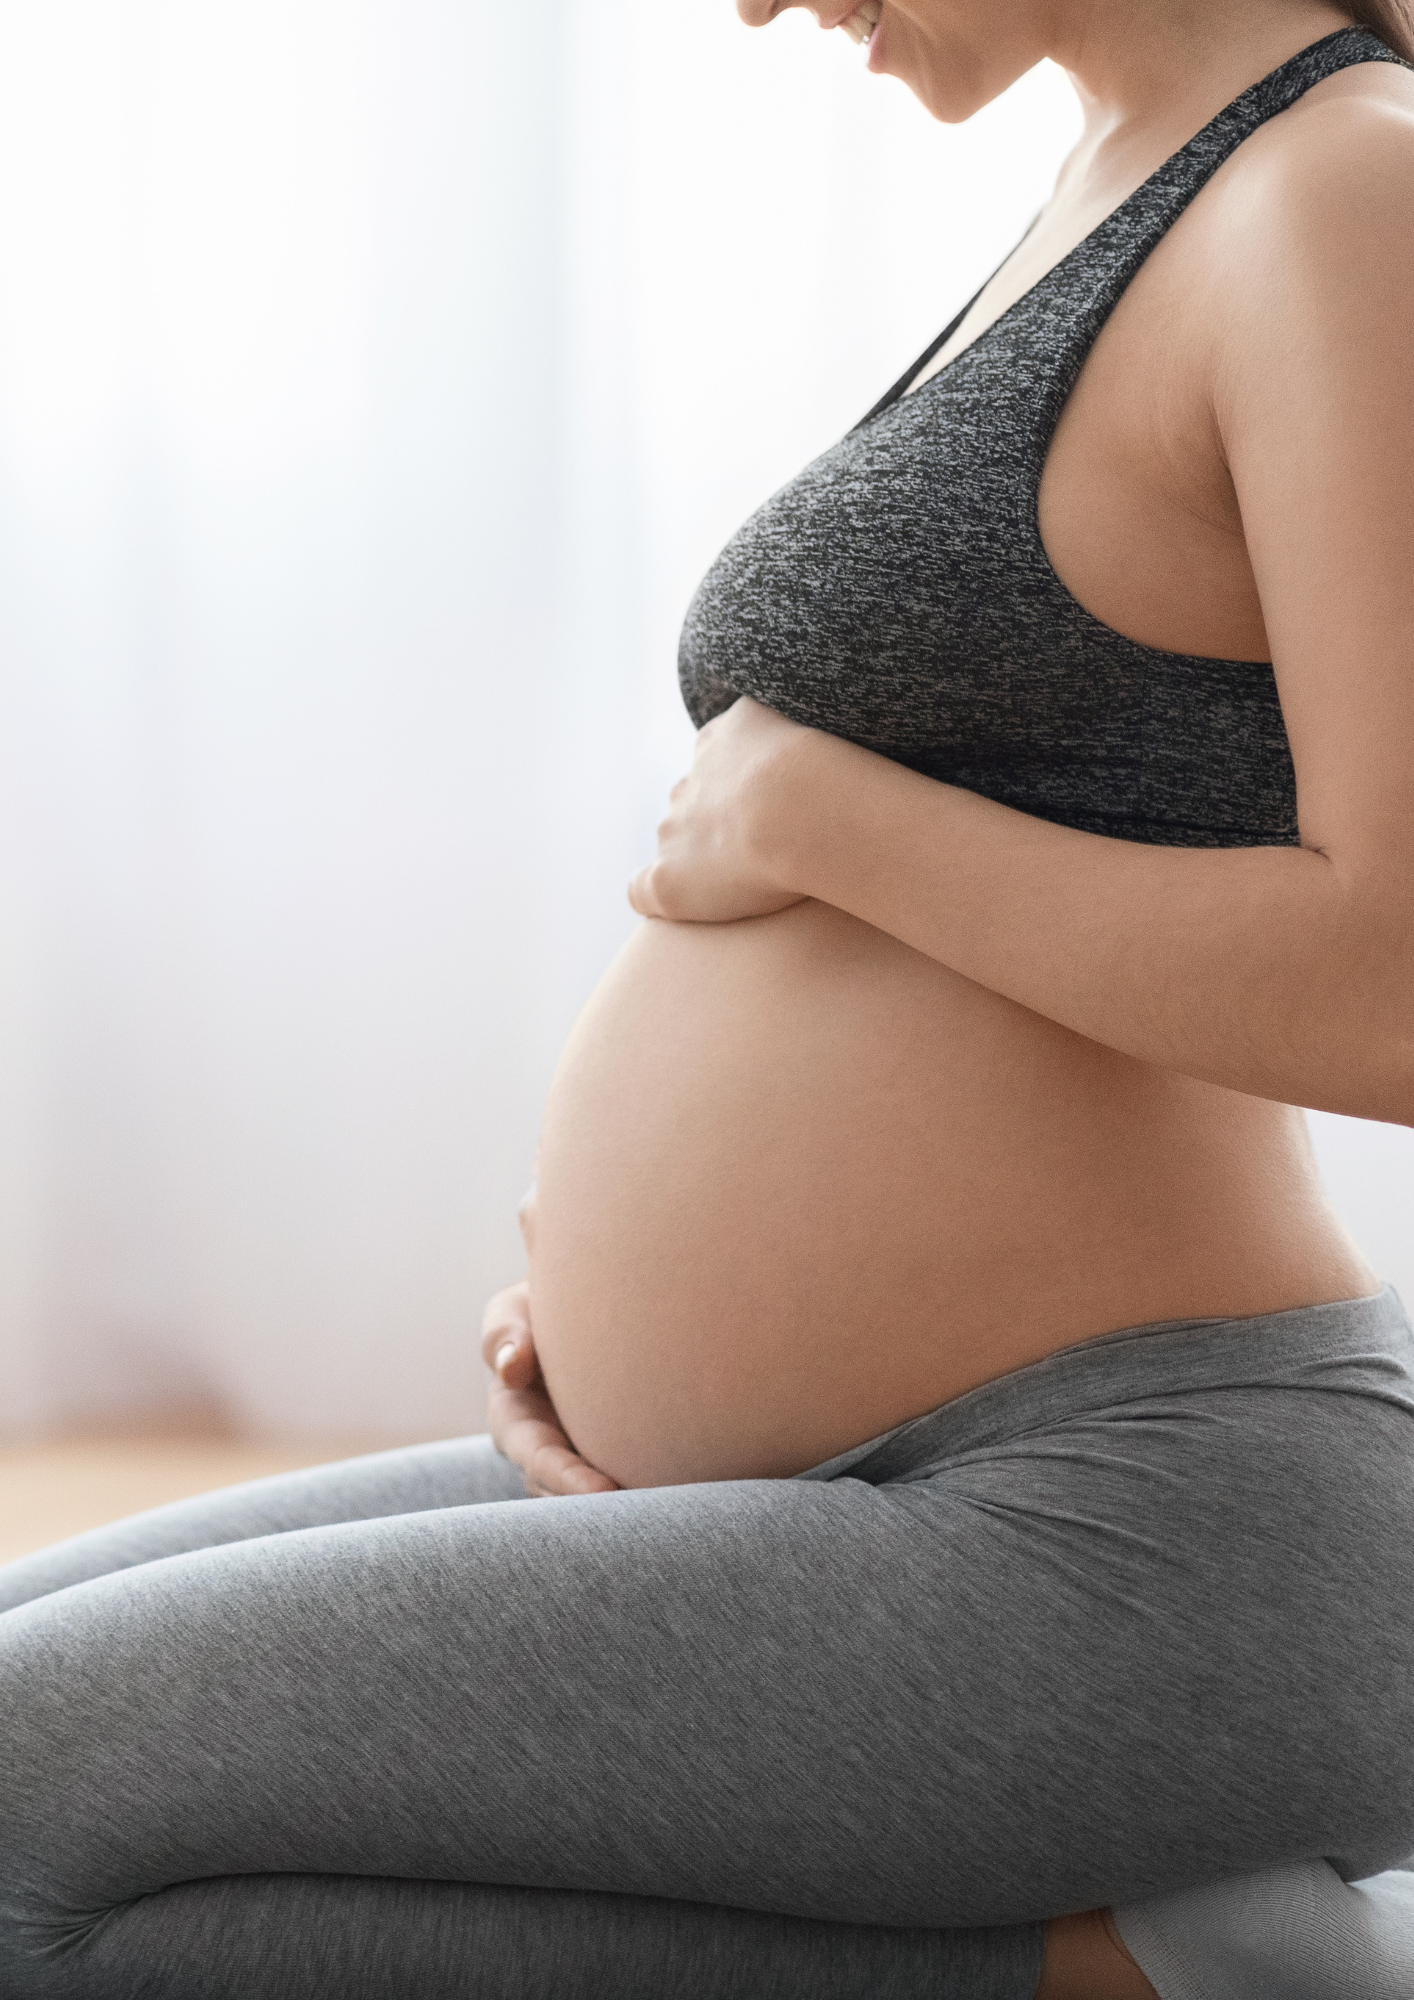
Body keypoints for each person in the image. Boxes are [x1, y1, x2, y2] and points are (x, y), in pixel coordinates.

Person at [3, 1, 1414, 1994]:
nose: (754, 0)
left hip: (1145, 1523)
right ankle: (1146, 1953)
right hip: (852, 1480)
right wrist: (644, 1307)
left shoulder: (1342, 190)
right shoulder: (1120, 180)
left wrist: (835, 823)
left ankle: (1155, 1970)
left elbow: (1393, 983)